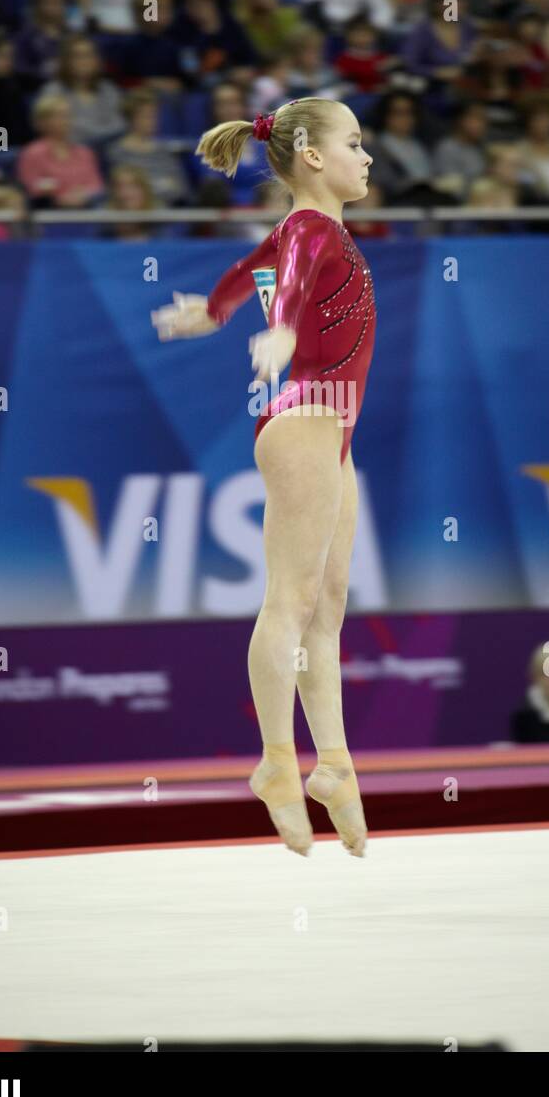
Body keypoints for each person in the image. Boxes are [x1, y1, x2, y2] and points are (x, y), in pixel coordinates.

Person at [151, 98, 377, 859]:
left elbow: (244, 271)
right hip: (307, 416)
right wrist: (279, 327)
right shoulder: (313, 230)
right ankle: (278, 762)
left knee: (329, 605)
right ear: (312, 155)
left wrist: (210, 313)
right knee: (293, 600)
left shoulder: (298, 229)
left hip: (332, 429)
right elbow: (289, 281)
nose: (367, 155)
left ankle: (335, 764)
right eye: (355, 142)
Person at [17, 95, 104, 208]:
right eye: (58, 116)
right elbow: (29, 188)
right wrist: (60, 198)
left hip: (86, 209)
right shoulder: (31, 153)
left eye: (67, 115)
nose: (65, 120)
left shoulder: (85, 153)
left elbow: (97, 186)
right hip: (48, 212)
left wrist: (84, 196)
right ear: (42, 121)